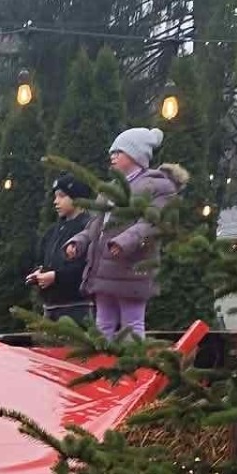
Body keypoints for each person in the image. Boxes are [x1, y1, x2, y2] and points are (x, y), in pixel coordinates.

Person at [66, 128, 185, 340]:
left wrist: (124, 241)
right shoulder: (110, 189)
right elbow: (96, 223)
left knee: (132, 324)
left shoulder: (157, 186)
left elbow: (152, 222)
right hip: (103, 270)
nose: (112, 157)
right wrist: (80, 241)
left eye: (118, 152)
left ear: (136, 155)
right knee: (103, 323)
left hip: (132, 269)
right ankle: (103, 367)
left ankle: (133, 371)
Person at [25, 174, 94, 324]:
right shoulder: (52, 231)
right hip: (51, 306)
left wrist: (57, 277)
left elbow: (87, 268)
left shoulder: (88, 228)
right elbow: (43, 259)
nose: (56, 202)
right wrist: (39, 273)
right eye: (55, 196)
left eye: (62, 196)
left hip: (78, 308)